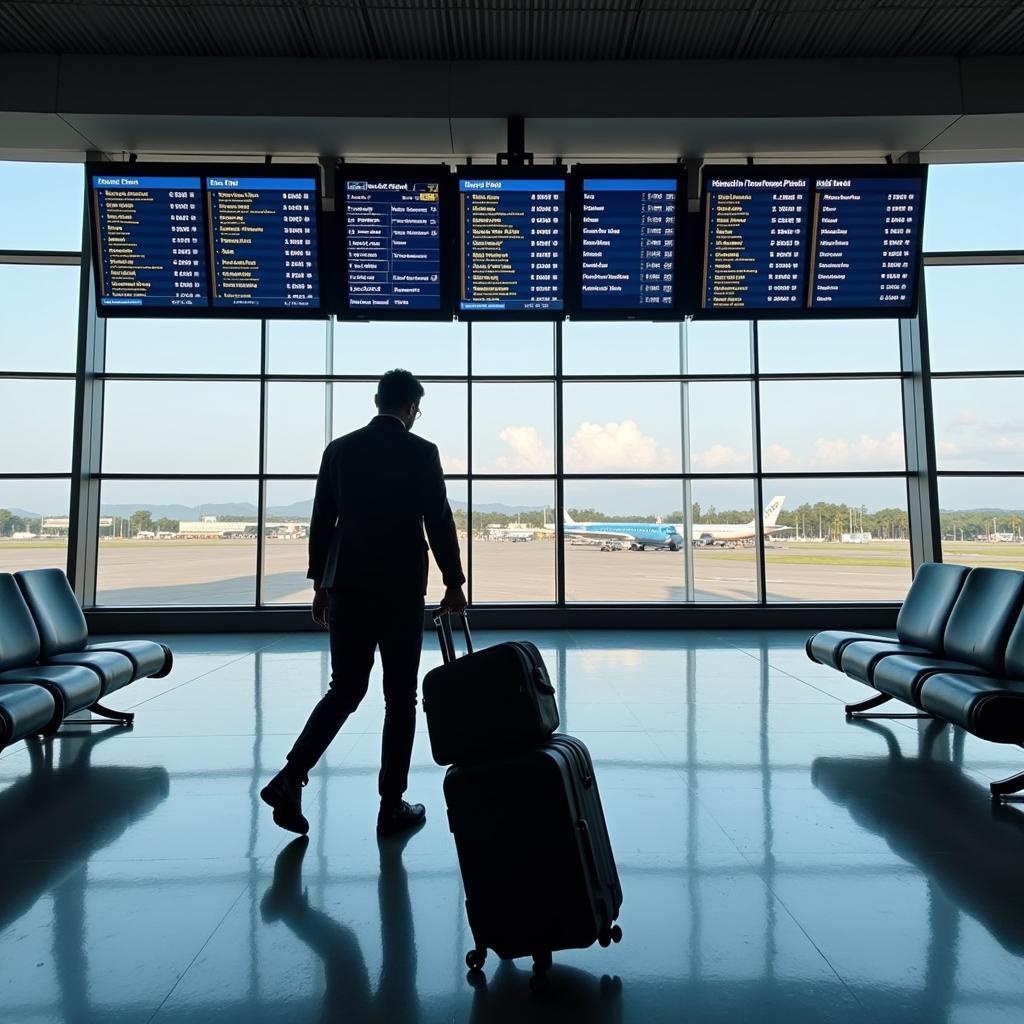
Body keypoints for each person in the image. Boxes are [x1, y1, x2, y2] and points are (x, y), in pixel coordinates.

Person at [261, 369, 467, 838]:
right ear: (412, 408)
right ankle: (390, 806)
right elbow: (438, 519)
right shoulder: (421, 451)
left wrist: (319, 584)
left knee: (345, 687)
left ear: (377, 401)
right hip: (398, 588)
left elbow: (321, 520)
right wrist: (453, 582)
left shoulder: (340, 449)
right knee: (400, 697)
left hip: (346, 584)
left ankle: (291, 776)